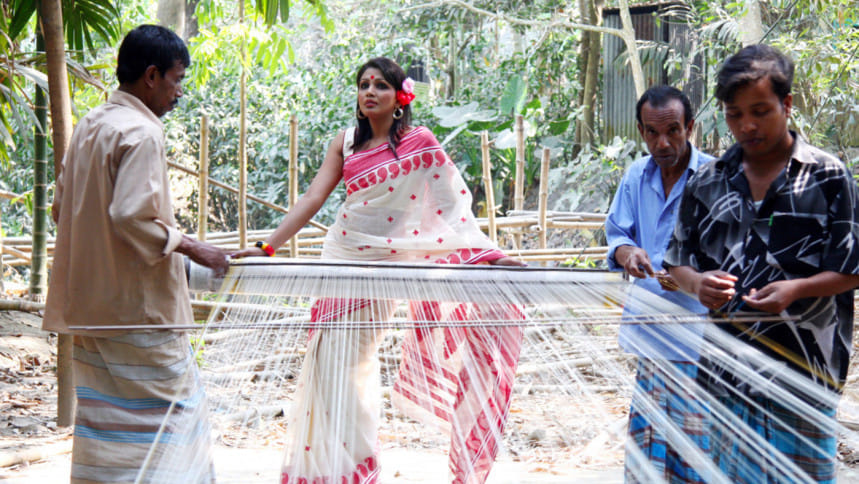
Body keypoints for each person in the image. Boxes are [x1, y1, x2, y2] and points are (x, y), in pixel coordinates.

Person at [232, 57, 524, 484]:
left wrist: (488, 254)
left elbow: (452, 210)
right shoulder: (345, 142)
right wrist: (266, 246)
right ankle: (329, 472)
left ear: (399, 97)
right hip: (339, 259)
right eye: (364, 84)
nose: (370, 91)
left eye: (381, 85)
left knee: (355, 372)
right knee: (324, 370)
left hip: (383, 270)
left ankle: (356, 469)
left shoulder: (421, 143)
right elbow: (313, 198)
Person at [664, 44, 859, 483]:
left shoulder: (828, 177)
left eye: (760, 111)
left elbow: (852, 268)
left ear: (786, 105)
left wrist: (799, 290)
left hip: (804, 376)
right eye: (734, 114)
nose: (746, 126)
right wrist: (697, 284)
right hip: (726, 374)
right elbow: (677, 261)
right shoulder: (708, 182)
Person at [44, 25, 229, 484]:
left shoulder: (92, 124)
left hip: (89, 309)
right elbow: (132, 217)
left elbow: (59, 209)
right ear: (151, 76)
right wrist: (192, 246)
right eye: (176, 79)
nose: (178, 92)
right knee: (179, 420)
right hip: (139, 314)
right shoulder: (143, 132)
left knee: (108, 427)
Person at [605, 85, 714, 483]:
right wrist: (629, 255)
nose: (662, 142)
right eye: (652, 133)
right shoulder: (637, 176)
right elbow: (617, 234)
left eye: (673, 130)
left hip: (700, 333)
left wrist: (690, 277)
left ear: (691, 127)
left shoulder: (715, 179)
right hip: (650, 329)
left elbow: (731, 253)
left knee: (696, 438)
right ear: (640, 131)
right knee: (649, 439)